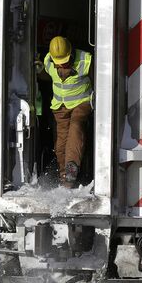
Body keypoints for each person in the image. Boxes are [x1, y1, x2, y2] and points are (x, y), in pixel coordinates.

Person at [43, 36, 93, 188]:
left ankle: (72, 170)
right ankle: (65, 179)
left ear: (71, 53)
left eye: (64, 61)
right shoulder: (48, 61)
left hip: (81, 104)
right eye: (59, 63)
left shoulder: (86, 61)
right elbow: (47, 75)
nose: (62, 65)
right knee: (60, 144)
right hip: (60, 107)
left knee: (76, 129)